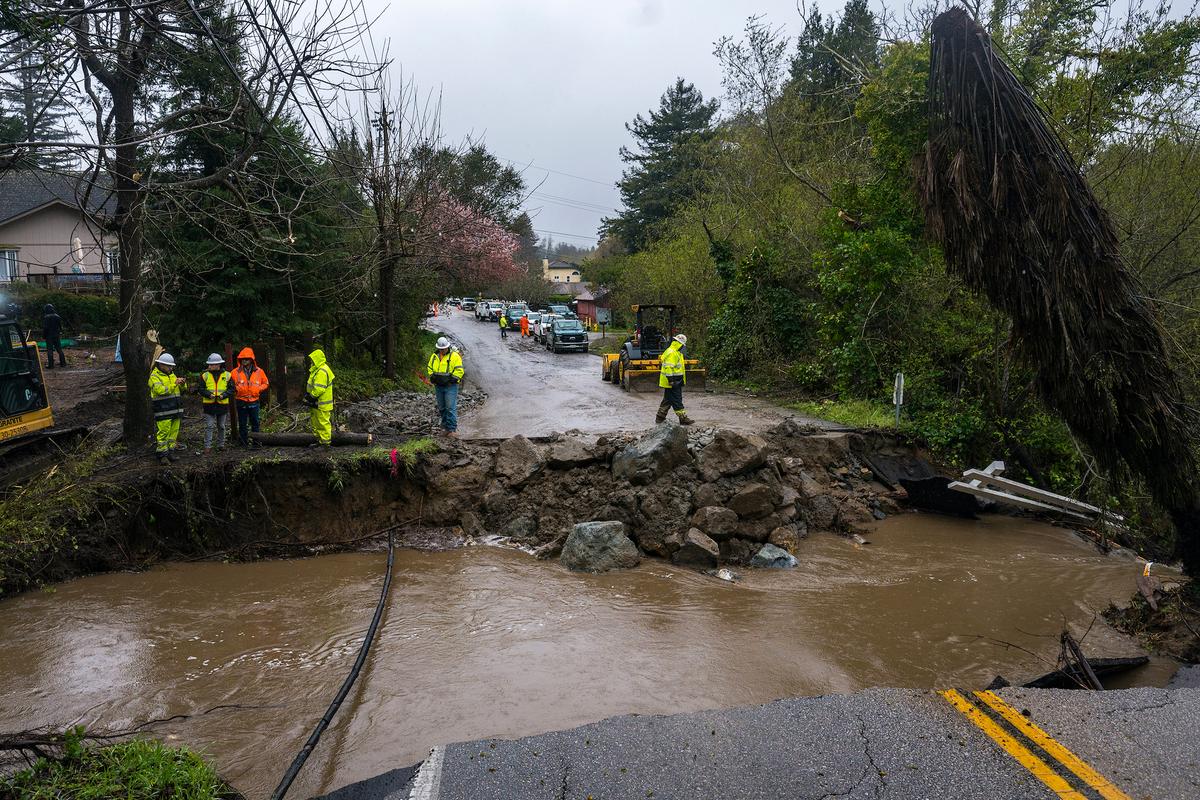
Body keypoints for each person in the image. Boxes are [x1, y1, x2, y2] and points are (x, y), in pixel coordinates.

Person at [229, 347, 269, 447]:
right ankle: (243, 443)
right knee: (242, 424)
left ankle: (256, 443)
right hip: (241, 401)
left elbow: (266, 383)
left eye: (246, 359)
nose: (244, 361)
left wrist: (258, 389)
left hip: (254, 401)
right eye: (242, 359)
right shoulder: (234, 372)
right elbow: (230, 386)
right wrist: (236, 389)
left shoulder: (259, 371)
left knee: (255, 423)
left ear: (251, 360)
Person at [149, 352, 186, 463]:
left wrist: (182, 384)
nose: (171, 368)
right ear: (161, 365)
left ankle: (170, 453)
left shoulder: (172, 375)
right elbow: (160, 391)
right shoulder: (154, 376)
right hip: (163, 410)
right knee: (163, 433)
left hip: (175, 410)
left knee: (173, 433)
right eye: (169, 366)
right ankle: (162, 455)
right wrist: (175, 384)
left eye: (171, 366)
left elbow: (182, 390)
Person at [427, 336, 465, 436]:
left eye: (443, 349)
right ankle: (445, 428)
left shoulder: (454, 356)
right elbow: (430, 367)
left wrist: (453, 379)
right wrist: (432, 376)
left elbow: (459, 370)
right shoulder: (434, 356)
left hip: (450, 386)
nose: (442, 350)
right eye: (440, 349)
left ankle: (452, 429)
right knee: (442, 407)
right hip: (439, 385)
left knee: (450, 407)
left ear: (447, 347)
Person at [656, 334, 694, 426]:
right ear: (680, 344)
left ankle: (660, 417)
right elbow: (669, 367)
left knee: (668, 399)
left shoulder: (675, 352)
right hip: (673, 381)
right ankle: (683, 418)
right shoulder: (673, 353)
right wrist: (671, 381)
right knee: (677, 399)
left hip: (675, 380)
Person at [199, 353, 233, 454]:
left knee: (221, 426)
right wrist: (209, 395)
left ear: (218, 365)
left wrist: (224, 395)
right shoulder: (204, 375)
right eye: (209, 364)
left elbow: (232, 389)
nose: (209, 366)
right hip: (209, 405)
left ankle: (221, 445)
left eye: (211, 364)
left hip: (222, 404)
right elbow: (200, 389)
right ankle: (207, 446)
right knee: (209, 426)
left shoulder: (227, 375)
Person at [304, 347, 335, 446]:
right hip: (316, 402)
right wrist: (309, 395)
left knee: (322, 423)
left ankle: (325, 444)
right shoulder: (317, 369)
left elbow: (319, 389)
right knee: (316, 422)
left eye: (313, 359)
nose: (311, 361)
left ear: (317, 359)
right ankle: (319, 441)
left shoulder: (322, 371)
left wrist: (311, 396)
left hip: (321, 402)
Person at [42, 304, 66, 369]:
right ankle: (63, 363)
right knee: (59, 349)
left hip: (49, 336)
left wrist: (44, 335)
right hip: (56, 335)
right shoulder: (57, 316)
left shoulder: (46, 317)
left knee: (49, 350)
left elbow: (45, 328)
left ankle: (51, 365)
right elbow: (60, 327)